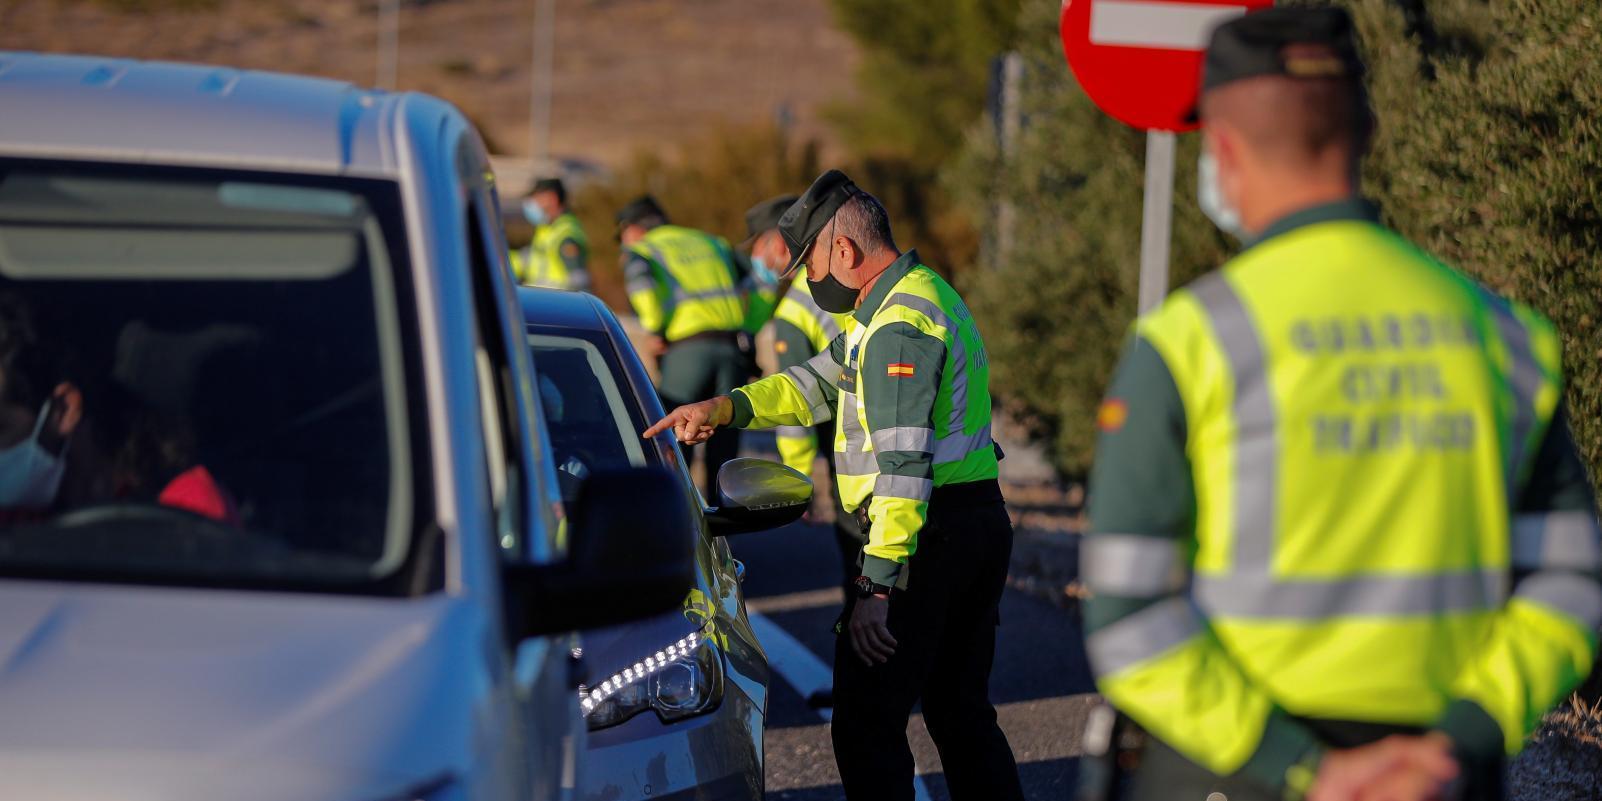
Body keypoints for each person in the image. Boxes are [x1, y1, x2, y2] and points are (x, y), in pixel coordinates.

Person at [1081, 8, 1601, 801]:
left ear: (1221, 149)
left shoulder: (1190, 344)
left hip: (1239, 774)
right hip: (1441, 779)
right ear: (1365, 131)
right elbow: (1569, 582)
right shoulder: (1505, 338)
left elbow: (1127, 616)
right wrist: (1459, 739)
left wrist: (1304, 766)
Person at [644, 171, 1025, 801]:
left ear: (843, 252)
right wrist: (725, 408)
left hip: (927, 537)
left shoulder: (899, 326)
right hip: (971, 521)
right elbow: (813, 383)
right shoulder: (902, 303)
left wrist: (876, 585)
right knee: (960, 712)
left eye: (809, 263)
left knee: (866, 722)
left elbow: (904, 472)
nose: (805, 280)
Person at [742, 193, 863, 597]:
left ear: (779, 243)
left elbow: (796, 404)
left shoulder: (795, 310)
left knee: (858, 550)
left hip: (851, 434)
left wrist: (798, 483)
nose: (756, 261)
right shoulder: (842, 283)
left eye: (758, 248)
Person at [618, 195, 750, 496]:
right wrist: (750, 325)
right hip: (733, 349)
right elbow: (758, 282)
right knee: (726, 446)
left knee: (676, 440)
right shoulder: (713, 242)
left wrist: (655, 328)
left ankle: (680, 522)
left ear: (633, 228)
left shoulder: (643, 250)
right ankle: (724, 525)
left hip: (687, 351)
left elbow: (642, 289)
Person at [510, 177, 591, 291]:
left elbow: (579, 280)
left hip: (558, 305)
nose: (532, 204)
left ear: (552, 198)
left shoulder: (566, 234)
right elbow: (529, 259)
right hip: (542, 302)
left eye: (537, 198)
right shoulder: (546, 229)